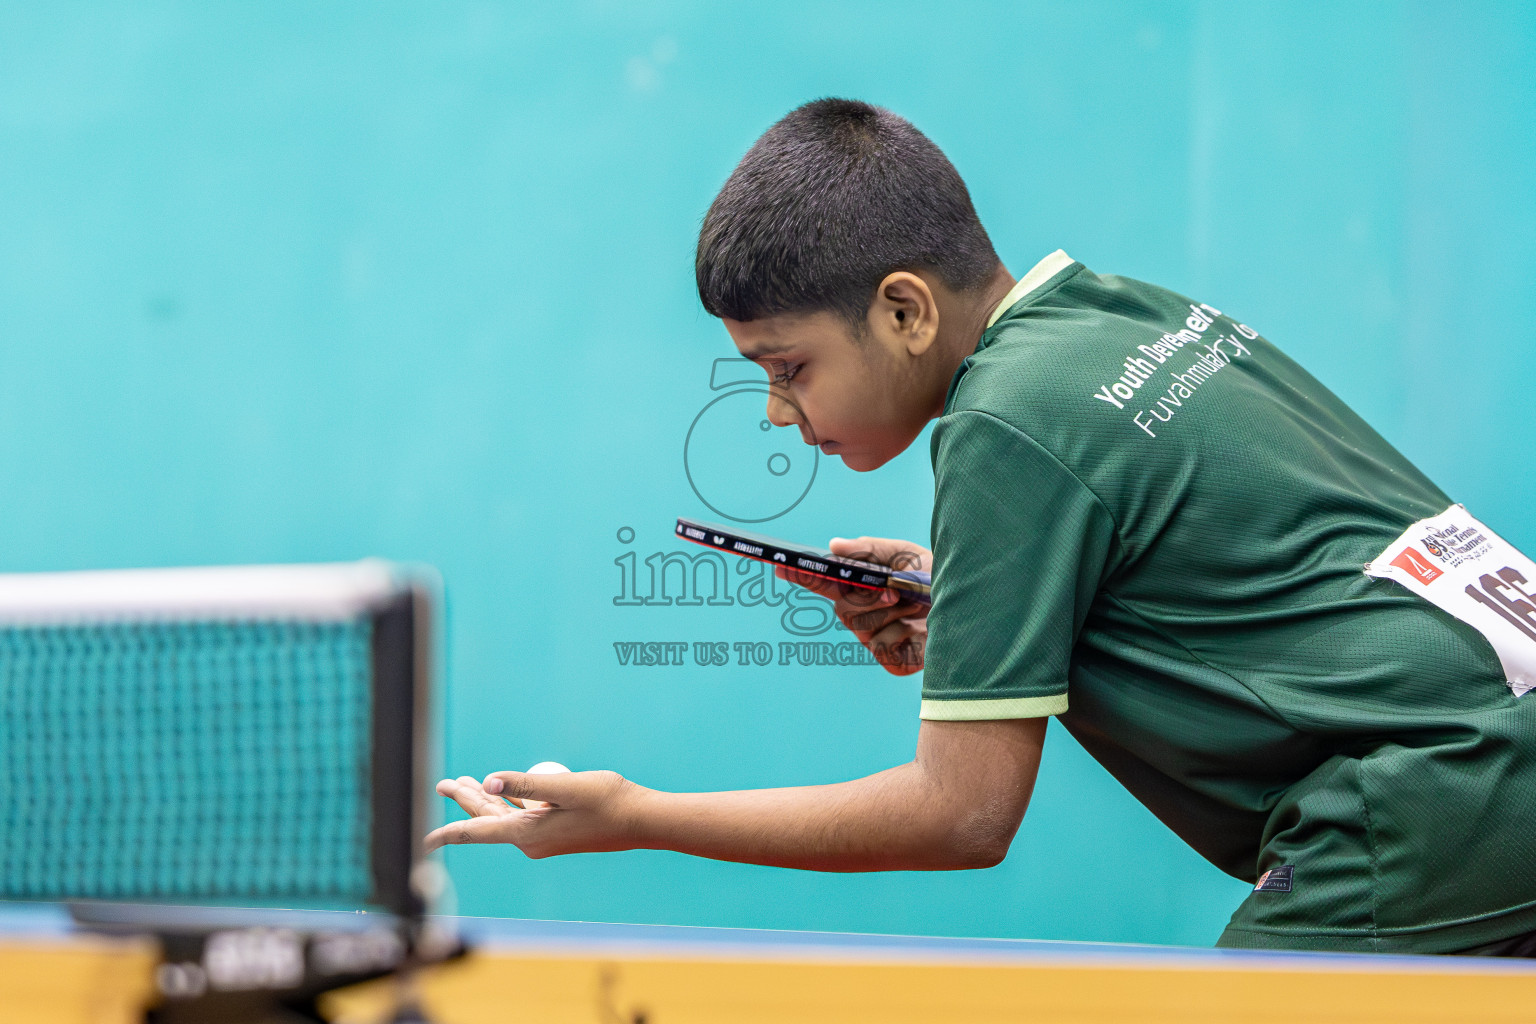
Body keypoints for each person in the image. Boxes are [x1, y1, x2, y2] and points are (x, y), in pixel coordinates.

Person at [427, 99, 1536, 956]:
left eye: (789, 367)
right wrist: (972, 590)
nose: (777, 411)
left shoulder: (1004, 422)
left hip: (1431, 796)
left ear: (904, 310)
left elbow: (961, 816)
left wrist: (641, 814)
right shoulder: (1117, 315)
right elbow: (1244, 563)